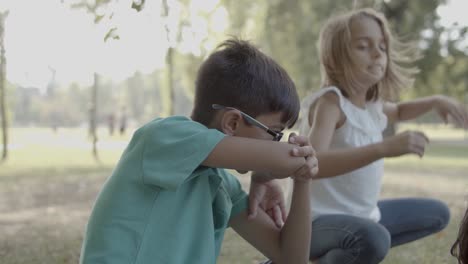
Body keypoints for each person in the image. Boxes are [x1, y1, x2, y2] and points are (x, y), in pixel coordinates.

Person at [79, 38, 319, 264]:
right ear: (233, 123)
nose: (278, 144)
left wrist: (302, 181)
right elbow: (289, 160)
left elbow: (292, 258)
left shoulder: (222, 184)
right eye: (275, 133)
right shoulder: (164, 137)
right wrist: (273, 170)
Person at [294, 8, 468, 263]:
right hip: (315, 223)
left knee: (438, 214)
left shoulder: (371, 105)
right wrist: (383, 148)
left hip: (363, 217)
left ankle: (343, 252)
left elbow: (399, 110)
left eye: (382, 47)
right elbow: (312, 164)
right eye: (364, 46)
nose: (377, 54)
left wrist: (435, 100)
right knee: (375, 239)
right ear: (337, 56)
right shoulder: (331, 104)